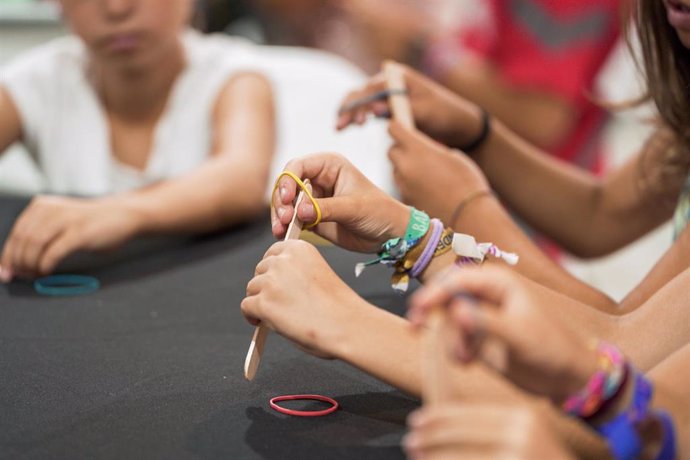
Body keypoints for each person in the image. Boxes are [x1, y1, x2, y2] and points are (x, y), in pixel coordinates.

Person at [0, 0, 275, 282]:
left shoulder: (233, 73)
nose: (117, 8)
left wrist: (117, 212)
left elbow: (242, 177)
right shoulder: (37, 81)